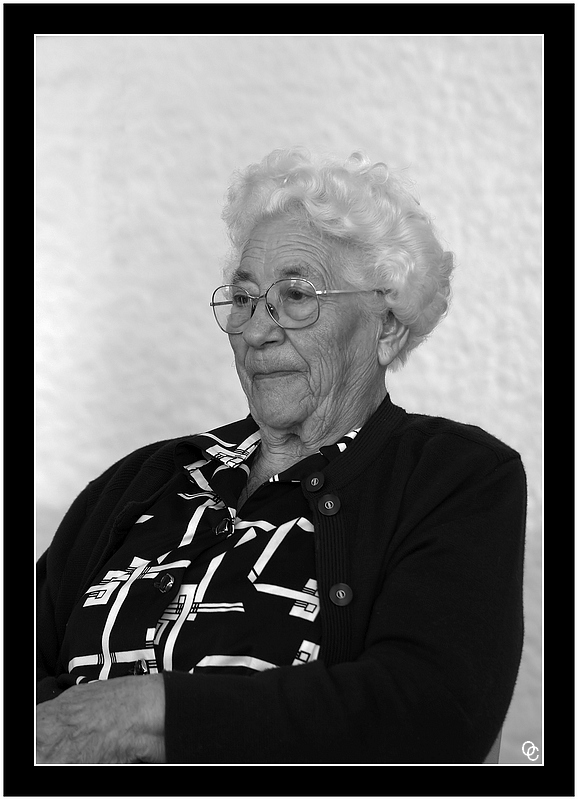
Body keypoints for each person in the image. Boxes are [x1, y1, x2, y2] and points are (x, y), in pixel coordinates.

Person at [36, 147, 526, 764]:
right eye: (244, 298)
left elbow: (430, 715)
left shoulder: (452, 478)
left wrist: (135, 717)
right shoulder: (145, 480)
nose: (256, 329)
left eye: (297, 295)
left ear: (386, 326)